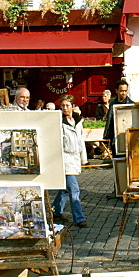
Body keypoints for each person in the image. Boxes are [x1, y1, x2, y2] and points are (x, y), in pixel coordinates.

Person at [51, 95, 88, 227]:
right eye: (63, 106)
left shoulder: (78, 121)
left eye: (67, 105)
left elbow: (81, 140)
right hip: (64, 158)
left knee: (65, 189)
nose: (65, 108)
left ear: (73, 106)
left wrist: (84, 158)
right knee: (74, 189)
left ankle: (55, 211)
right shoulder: (59, 122)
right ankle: (79, 218)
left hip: (75, 157)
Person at [102, 80, 134, 156]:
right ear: (116, 91)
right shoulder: (112, 103)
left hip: (126, 136)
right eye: (121, 91)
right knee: (116, 159)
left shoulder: (131, 104)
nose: (124, 93)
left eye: (125, 91)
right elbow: (110, 120)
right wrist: (107, 135)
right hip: (115, 136)